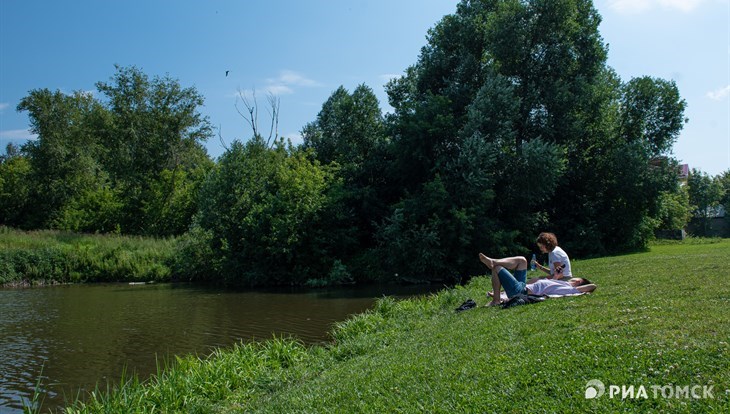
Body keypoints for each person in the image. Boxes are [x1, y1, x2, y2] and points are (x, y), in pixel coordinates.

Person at [479, 253, 595, 307]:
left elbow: (593, 286)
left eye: (576, 279)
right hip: (523, 285)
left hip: (520, 291)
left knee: (497, 269)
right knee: (522, 260)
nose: (574, 278)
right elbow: (548, 286)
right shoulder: (562, 284)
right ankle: (494, 261)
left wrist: (580, 288)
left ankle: (496, 300)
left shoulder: (570, 289)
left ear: (578, 282)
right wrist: (556, 275)